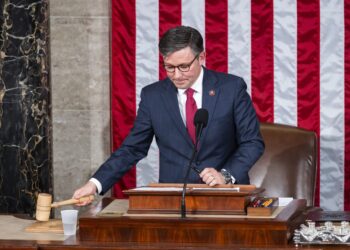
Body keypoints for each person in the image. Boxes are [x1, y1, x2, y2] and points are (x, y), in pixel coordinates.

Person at [73, 26, 264, 205]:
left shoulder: (231, 89)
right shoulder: (153, 96)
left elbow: (253, 142)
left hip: (225, 197)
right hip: (173, 200)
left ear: (202, 57)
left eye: (184, 66)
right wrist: (95, 184)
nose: (177, 75)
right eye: (169, 67)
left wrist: (225, 175)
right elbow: (132, 148)